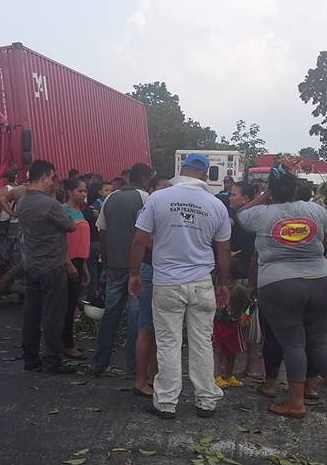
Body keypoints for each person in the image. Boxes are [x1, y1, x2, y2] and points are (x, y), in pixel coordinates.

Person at [236, 164, 327, 418]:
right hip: (320, 278)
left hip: (280, 283)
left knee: (294, 343)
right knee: (319, 339)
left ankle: (296, 404)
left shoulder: (262, 213)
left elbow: (240, 214)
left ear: (272, 191)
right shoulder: (317, 210)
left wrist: (264, 196)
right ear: (296, 188)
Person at [130, 154, 232, 419]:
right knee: (201, 343)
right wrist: (224, 284)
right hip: (202, 283)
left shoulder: (158, 198)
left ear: (181, 170)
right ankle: (206, 401)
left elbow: (140, 239)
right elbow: (223, 249)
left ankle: (165, 403)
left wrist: (134, 274)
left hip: (167, 282)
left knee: (168, 343)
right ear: (206, 175)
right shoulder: (217, 205)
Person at [92, 163, 153, 385]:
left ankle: (100, 363)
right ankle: (133, 370)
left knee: (110, 315)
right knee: (136, 319)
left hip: (114, 266)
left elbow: (103, 234)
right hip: (137, 269)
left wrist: (106, 264)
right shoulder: (146, 199)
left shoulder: (111, 198)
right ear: (146, 178)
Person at [17, 160, 76, 374]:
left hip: (31, 265)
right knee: (53, 315)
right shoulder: (50, 204)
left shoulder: (22, 203)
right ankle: (53, 361)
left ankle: (31, 359)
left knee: (32, 313)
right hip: (52, 266)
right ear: (43, 178)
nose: (54, 182)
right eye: (53, 178)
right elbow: (69, 225)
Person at [227, 181, 261, 381]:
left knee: (249, 319)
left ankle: (251, 365)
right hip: (234, 276)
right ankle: (227, 367)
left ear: (246, 199)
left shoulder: (250, 221)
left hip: (247, 278)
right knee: (229, 319)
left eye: (234, 195)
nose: (230, 198)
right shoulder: (230, 217)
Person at [61, 177, 90, 360]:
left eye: (85, 191)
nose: (83, 194)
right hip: (68, 263)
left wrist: (85, 266)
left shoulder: (81, 211)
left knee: (73, 304)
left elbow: (82, 240)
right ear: (70, 191)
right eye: (80, 191)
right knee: (67, 304)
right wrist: (68, 263)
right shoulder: (63, 211)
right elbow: (61, 240)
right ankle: (66, 344)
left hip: (80, 262)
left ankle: (68, 342)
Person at [0, 170, 21, 262]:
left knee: (1, 241)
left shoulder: (4, 189)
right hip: (16, 221)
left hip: (4, 220)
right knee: (12, 241)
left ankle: (2, 261)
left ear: (6, 179)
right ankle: (12, 262)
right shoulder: (19, 189)